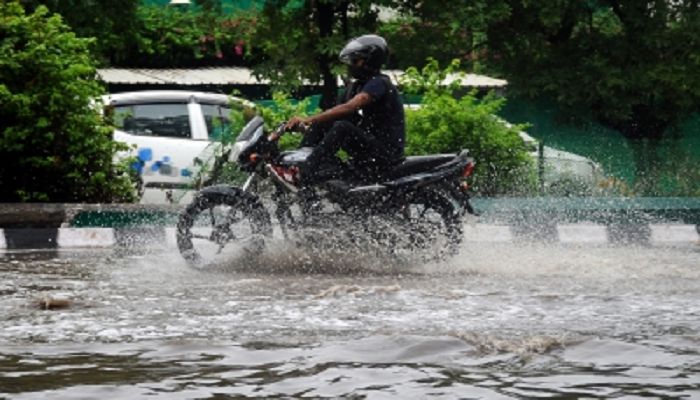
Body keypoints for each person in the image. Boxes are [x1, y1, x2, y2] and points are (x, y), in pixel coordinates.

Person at [284, 34, 405, 183]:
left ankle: (304, 171)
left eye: (355, 61)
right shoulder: (355, 87)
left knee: (342, 127)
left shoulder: (380, 83)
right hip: (367, 146)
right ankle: (299, 162)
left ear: (368, 62)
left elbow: (350, 107)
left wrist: (308, 119)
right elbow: (332, 113)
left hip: (385, 153)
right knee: (323, 121)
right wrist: (303, 126)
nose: (350, 65)